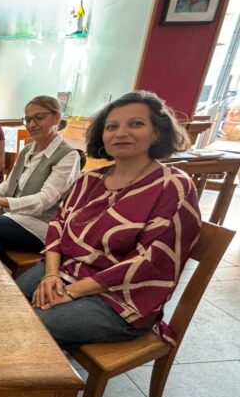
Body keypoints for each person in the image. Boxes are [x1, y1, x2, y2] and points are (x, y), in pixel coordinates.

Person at [16, 91, 202, 350]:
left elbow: (149, 261)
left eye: (136, 124)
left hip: (121, 297)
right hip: (67, 271)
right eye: (112, 126)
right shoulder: (90, 180)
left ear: (157, 132)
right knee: (7, 303)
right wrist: (50, 274)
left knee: (33, 325)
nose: (121, 133)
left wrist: (71, 292)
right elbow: (58, 225)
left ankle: (42, 372)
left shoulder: (173, 185)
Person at [0, 95, 81, 257]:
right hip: (12, 219)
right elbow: (8, 186)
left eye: (39, 118)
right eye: (28, 120)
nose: (31, 124)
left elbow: (44, 201)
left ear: (57, 118)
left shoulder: (69, 155)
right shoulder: (27, 150)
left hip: (40, 226)